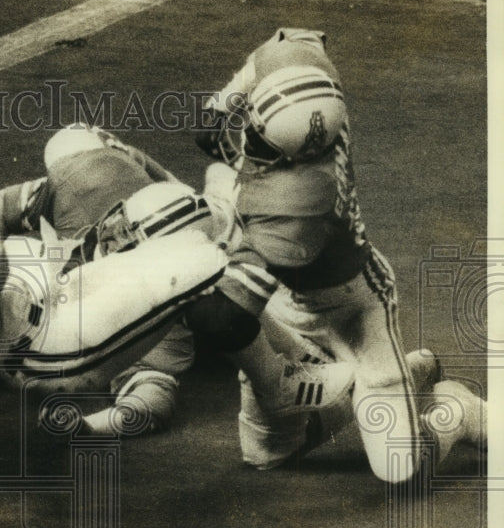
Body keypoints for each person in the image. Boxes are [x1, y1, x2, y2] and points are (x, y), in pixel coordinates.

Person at [193, 27, 485, 478]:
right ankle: (401, 377)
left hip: (354, 310)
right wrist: (243, 87)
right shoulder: (311, 79)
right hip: (291, 294)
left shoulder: (294, 205)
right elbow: (293, 42)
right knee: (266, 456)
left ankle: (459, 410)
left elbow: (223, 320)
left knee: (403, 469)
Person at [0, 124, 350, 436]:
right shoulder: (110, 179)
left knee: (214, 291)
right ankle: (295, 363)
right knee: (221, 278)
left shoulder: (74, 179)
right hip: (134, 282)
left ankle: (292, 364)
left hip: (105, 297)